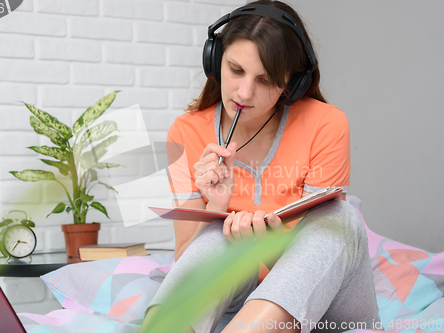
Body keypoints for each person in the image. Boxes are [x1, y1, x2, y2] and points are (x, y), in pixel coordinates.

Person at [141, 1, 380, 332]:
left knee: (340, 217)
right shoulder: (186, 132)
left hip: (324, 307)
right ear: (215, 61)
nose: (244, 92)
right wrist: (217, 206)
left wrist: (270, 247)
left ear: (290, 84)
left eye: (265, 80)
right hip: (238, 299)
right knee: (214, 233)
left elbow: (319, 260)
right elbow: (186, 257)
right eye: (236, 70)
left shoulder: (326, 123)